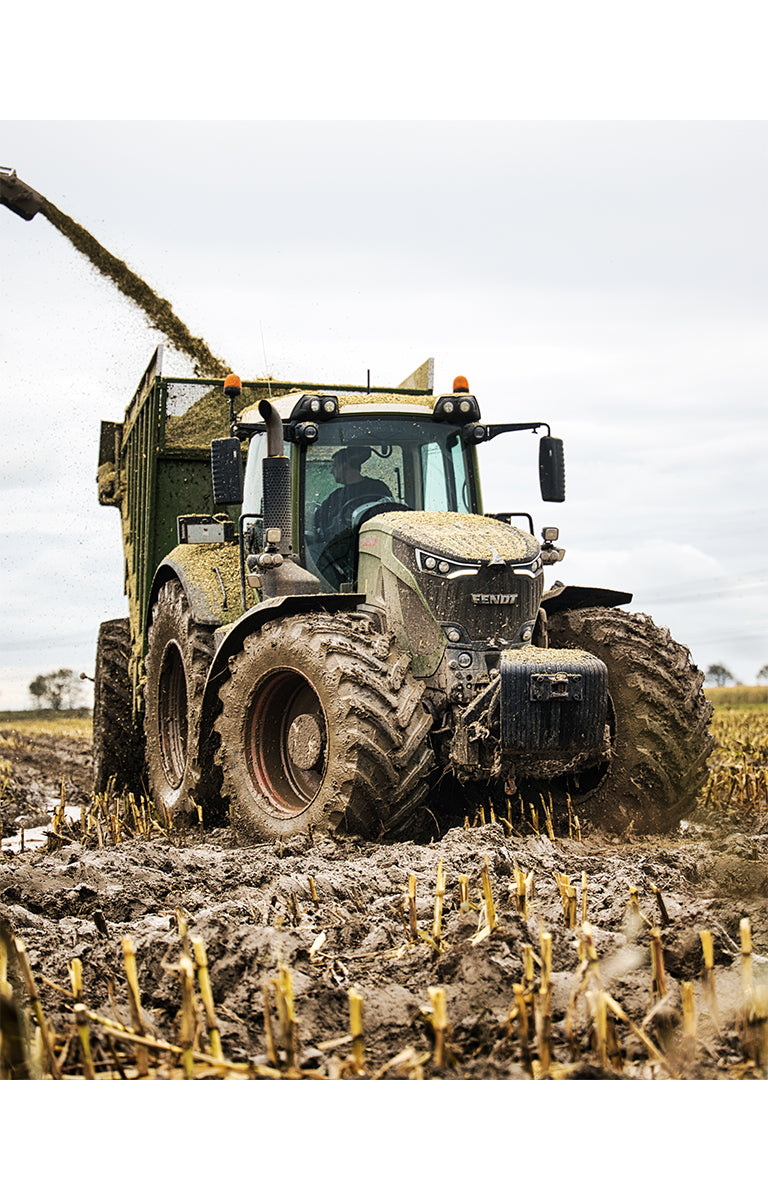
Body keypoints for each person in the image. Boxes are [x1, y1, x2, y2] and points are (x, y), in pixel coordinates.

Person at [317, 447, 392, 536]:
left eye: (334, 466)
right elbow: (319, 518)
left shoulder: (378, 489)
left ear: (345, 466)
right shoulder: (336, 496)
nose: (331, 471)